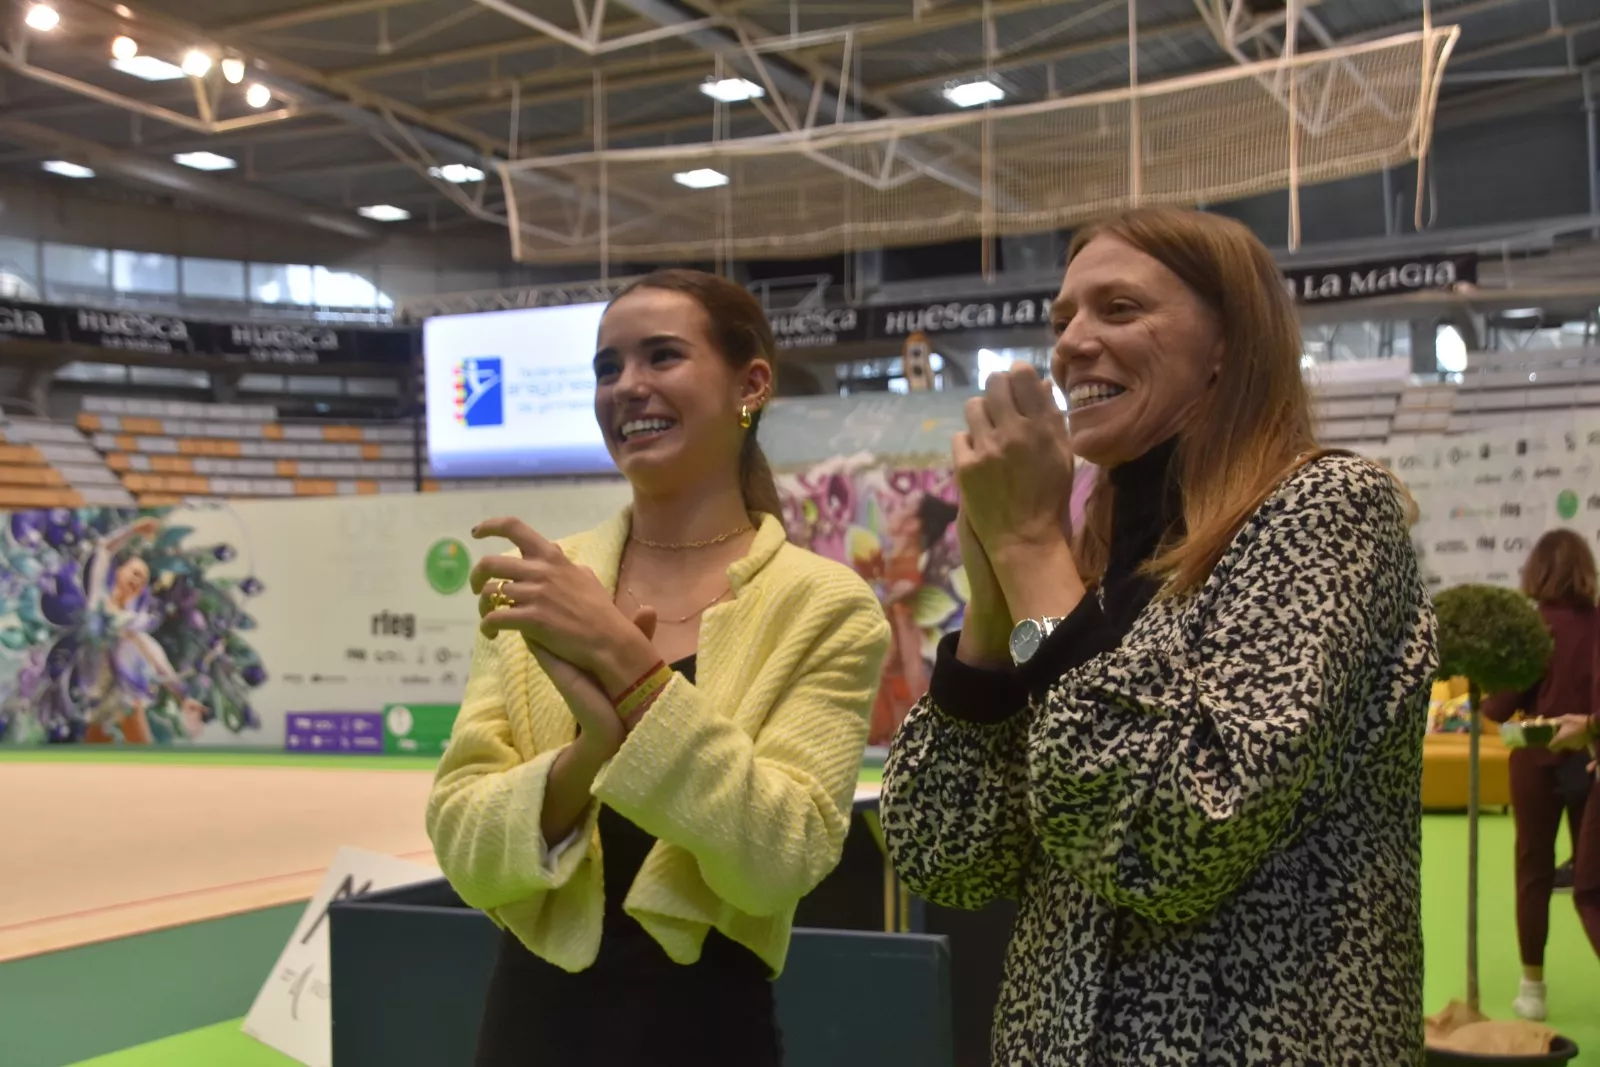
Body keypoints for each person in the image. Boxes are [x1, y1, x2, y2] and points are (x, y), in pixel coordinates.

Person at [880, 206, 1437, 1065]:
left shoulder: (1324, 512)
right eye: (1062, 318)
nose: (1072, 343)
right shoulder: (1090, 569)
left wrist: (1030, 549)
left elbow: (1176, 835)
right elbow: (946, 854)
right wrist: (996, 599)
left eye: (1120, 308)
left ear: (1228, 343)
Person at [426, 268, 890, 1067]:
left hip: (709, 1032)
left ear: (751, 384)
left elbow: (779, 861)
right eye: (608, 367)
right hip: (527, 1031)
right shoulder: (547, 581)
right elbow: (462, 838)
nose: (627, 387)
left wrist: (629, 671)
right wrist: (589, 752)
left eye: (662, 357)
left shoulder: (825, 605)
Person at [1481, 529, 1600, 1020]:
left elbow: (1499, 706)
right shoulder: (1598, 624)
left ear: (1537, 571)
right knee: (1594, 882)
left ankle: (1533, 988)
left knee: (1533, 871)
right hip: (1591, 762)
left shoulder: (1532, 629)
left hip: (1532, 764)